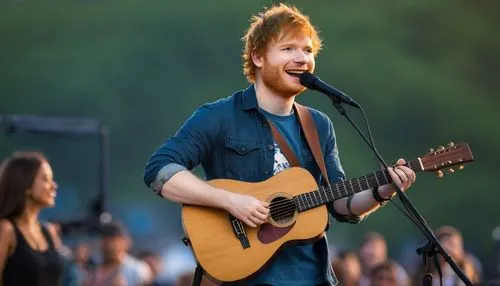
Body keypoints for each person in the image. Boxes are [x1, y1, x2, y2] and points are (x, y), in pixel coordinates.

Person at [143, 3, 416, 286]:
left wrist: (383, 190)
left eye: (308, 50)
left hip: (314, 278)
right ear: (258, 57)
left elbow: (339, 203)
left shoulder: (319, 125)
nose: (302, 59)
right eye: (288, 49)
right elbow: (159, 170)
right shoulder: (219, 116)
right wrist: (230, 201)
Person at [0, 151, 65, 286]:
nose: (54, 186)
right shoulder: (6, 230)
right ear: (26, 185)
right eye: (45, 179)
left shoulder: (49, 232)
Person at [84, 220, 152, 286]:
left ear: (125, 242)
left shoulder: (137, 269)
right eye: (104, 238)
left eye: (112, 239)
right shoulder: (92, 266)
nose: (109, 245)